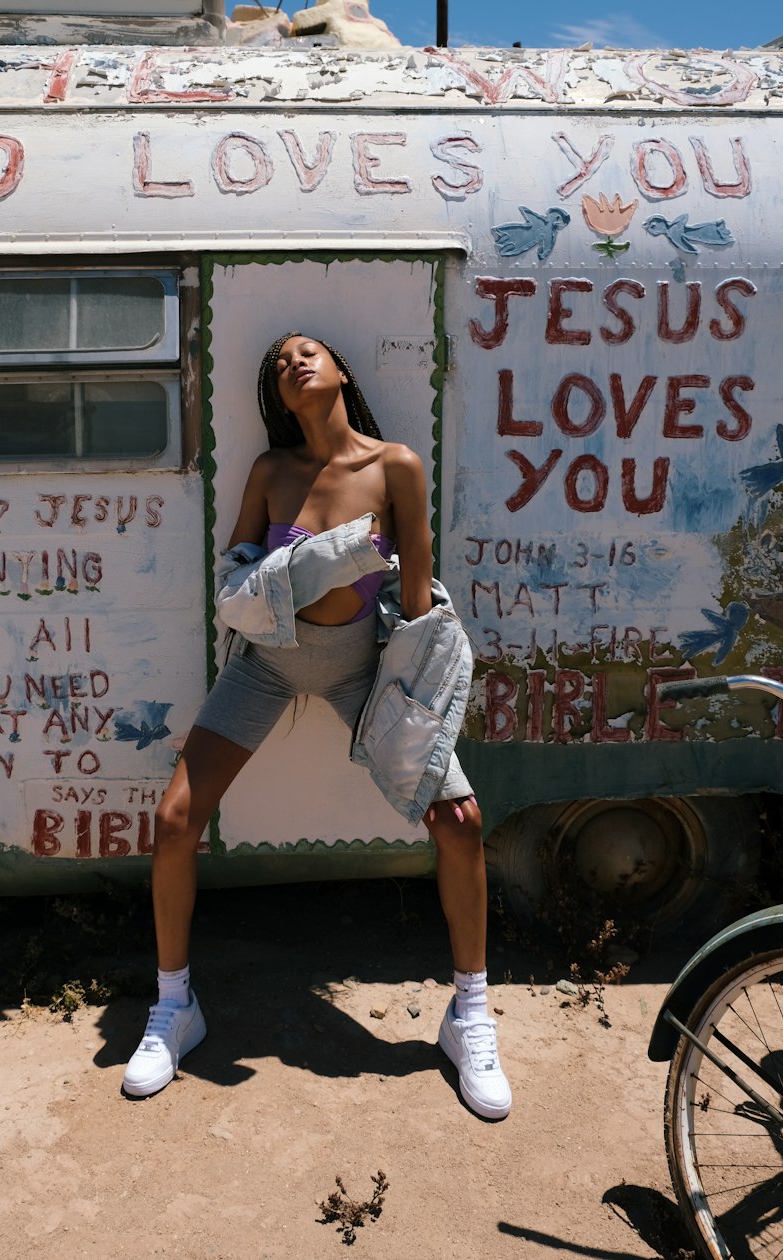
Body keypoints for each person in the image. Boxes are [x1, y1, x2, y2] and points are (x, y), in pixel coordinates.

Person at [122, 332, 511, 1119]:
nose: (292, 363)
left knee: (462, 822)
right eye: (277, 363)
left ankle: (468, 1013)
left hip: (362, 667)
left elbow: (416, 605)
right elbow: (232, 583)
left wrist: (416, 711)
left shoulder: (395, 466)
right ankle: (174, 1008)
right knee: (172, 821)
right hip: (266, 663)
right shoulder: (272, 472)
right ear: (279, 394)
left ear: (340, 371)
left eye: (308, 351)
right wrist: (320, 564)